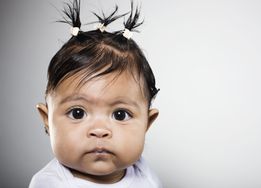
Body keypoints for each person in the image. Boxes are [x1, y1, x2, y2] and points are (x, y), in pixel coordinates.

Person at [29, 0, 162, 187]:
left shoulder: (146, 177)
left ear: (147, 123)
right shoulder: (50, 184)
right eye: (78, 113)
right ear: (47, 118)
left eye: (120, 114)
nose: (99, 130)